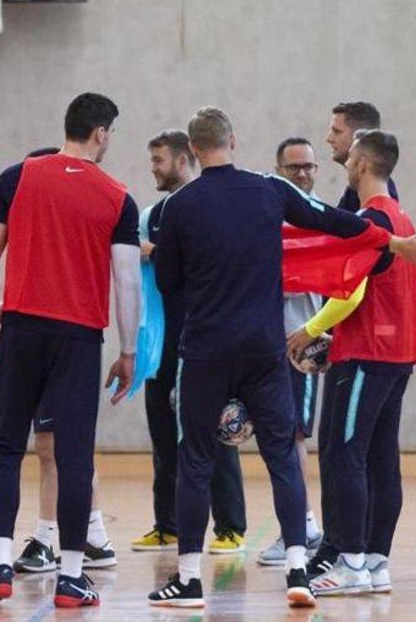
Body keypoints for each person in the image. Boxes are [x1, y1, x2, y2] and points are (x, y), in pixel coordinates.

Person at [146, 107, 416, 609]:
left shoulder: (179, 206)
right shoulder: (269, 190)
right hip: (264, 347)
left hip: (207, 349)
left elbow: (169, 282)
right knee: (283, 453)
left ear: (193, 149)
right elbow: (336, 221)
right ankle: (299, 570)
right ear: (233, 140)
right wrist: (392, 243)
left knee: (195, 458)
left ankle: (189, 579)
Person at [0, 93, 141, 609]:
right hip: (78, 339)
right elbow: (127, 280)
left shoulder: (17, 177)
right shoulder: (118, 196)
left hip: (21, 327)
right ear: (101, 133)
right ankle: (71, 577)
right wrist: (128, 350)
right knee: (72, 456)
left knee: (6, 445)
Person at [286, 130, 416, 596]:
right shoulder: (399, 215)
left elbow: (353, 291)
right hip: (397, 354)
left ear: (364, 164)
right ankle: (374, 561)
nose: (344, 162)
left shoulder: (372, 220)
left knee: (344, 452)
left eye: (349, 157)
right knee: (381, 458)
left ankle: (349, 562)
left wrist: (310, 329)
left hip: (368, 353)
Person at [131, 131, 247, 556]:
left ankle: (231, 527)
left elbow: (205, 261)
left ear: (185, 159)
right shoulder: (151, 214)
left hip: (206, 341)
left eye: (159, 160)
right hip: (162, 342)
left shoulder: (211, 205)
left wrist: (154, 252)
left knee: (214, 435)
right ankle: (168, 524)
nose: (153, 169)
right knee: (163, 436)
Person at [7, 147, 120, 574]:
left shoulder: (82, 211)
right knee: (58, 446)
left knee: (56, 446)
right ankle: (93, 535)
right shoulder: (36, 224)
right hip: (46, 340)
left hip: (65, 342)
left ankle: (53, 535)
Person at [256, 137, 326, 566]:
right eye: (293, 167)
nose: (302, 174)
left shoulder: (321, 219)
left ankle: (301, 528)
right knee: (277, 438)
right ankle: (302, 524)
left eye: (308, 167)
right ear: (278, 169)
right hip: (264, 344)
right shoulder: (268, 215)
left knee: (293, 436)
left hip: (302, 344)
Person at [325, 101, 397, 212]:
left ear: (358, 137)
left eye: (337, 131)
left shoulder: (377, 197)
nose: (329, 139)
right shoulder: (356, 188)